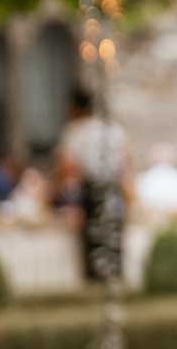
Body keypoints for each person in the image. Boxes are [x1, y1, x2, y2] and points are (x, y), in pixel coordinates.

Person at [55, 87, 128, 285]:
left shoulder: (76, 131)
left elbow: (67, 168)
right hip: (113, 191)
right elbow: (125, 165)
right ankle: (113, 278)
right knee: (112, 241)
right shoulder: (114, 129)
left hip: (92, 190)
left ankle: (96, 281)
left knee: (93, 242)